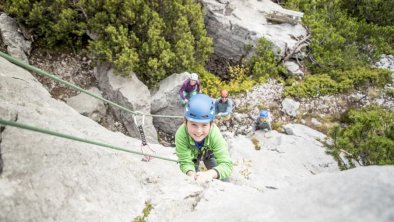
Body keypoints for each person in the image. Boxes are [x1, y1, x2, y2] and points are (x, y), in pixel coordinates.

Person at [175, 94, 233, 182]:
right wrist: (192, 174)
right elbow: (185, 162)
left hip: (209, 154)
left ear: (211, 124)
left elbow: (226, 165)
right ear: (185, 122)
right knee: (192, 178)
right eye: (193, 124)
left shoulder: (214, 134)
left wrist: (209, 174)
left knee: (224, 179)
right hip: (192, 155)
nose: (199, 131)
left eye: (204, 125)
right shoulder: (181, 134)